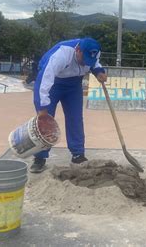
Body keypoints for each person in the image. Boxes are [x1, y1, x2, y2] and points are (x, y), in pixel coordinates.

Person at [30, 37, 107, 173]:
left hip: (74, 85)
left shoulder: (93, 52)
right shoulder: (61, 55)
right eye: (84, 60)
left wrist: (99, 72)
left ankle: (78, 154)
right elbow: (43, 82)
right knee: (45, 121)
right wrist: (42, 108)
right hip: (53, 83)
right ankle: (40, 158)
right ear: (77, 50)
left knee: (75, 119)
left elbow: (95, 63)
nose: (85, 64)